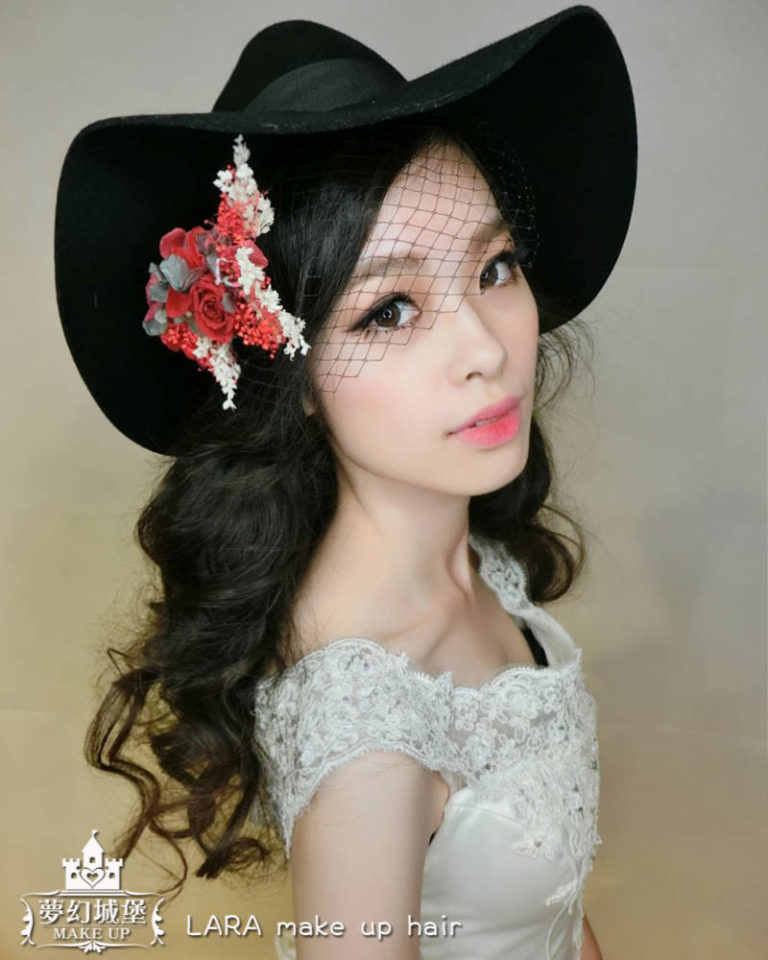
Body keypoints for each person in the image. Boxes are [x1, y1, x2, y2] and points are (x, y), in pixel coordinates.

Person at [54, 7, 636, 959]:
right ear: (295, 380)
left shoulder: (473, 561)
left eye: (494, 266)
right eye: (391, 310)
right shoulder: (365, 732)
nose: (487, 349)